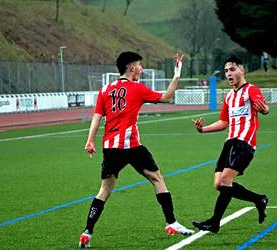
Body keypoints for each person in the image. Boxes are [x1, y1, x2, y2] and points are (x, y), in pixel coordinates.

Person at [78, 51, 194, 248]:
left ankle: (87, 232)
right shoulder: (137, 89)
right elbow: (166, 97)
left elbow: (97, 117)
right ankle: (171, 222)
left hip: (110, 148)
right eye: (139, 65)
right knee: (157, 179)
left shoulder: (105, 89)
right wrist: (177, 73)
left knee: (104, 190)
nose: (141, 69)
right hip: (131, 146)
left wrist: (90, 141)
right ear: (131, 68)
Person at [192, 55, 270, 233]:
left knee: (226, 181)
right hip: (230, 143)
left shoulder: (251, 90)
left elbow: (264, 108)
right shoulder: (229, 97)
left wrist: (264, 109)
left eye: (232, 69)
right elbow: (223, 123)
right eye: (226, 70)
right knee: (219, 184)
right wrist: (202, 129)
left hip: (244, 143)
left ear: (242, 70)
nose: (228, 73)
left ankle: (214, 222)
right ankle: (259, 199)